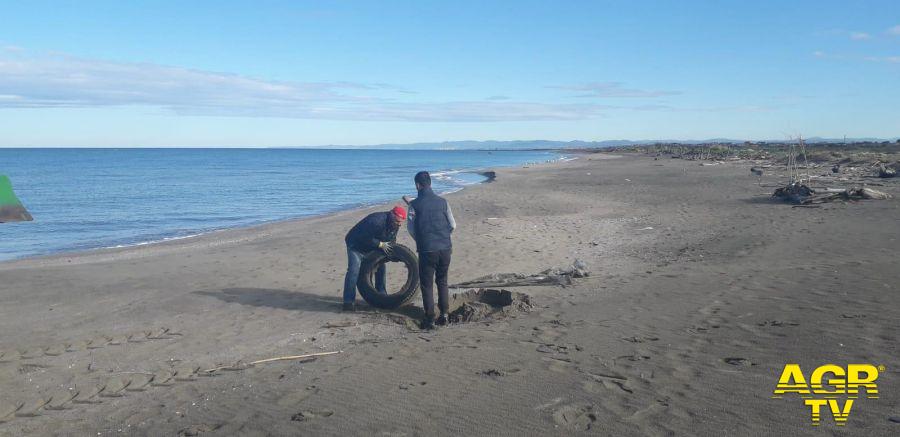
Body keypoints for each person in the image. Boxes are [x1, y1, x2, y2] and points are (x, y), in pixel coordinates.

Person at [407, 171, 456, 329]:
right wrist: (442, 236)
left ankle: (430, 319)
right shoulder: (443, 201)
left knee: (427, 284)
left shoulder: (414, 205)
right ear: (430, 183)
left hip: (427, 249)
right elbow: (453, 225)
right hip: (445, 247)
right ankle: (445, 314)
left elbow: (411, 229)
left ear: (417, 185)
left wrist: (422, 240)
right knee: (442, 281)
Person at [342, 205, 407, 311]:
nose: (399, 224)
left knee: (381, 267)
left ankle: (381, 295)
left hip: (372, 246)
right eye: (397, 221)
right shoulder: (376, 221)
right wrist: (380, 244)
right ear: (392, 215)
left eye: (401, 222)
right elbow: (363, 237)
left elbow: (391, 239)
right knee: (354, 271)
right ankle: (348, 302)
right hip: (355, 245)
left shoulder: (395, 224)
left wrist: (393, 254)